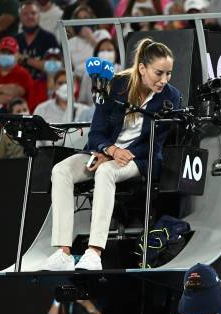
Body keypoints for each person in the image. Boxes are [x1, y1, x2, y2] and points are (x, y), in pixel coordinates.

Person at [41, 39, 181, 271]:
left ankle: (94, 252)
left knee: (105, 171)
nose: (164, 80)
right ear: (142, 68)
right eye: (159, 73)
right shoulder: (116, 86)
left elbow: (155, 145)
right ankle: (63, 252)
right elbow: (96, 132)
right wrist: (109, 150)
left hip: (140, 160)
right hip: (103, 152)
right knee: (61, 170)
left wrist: (118, 155)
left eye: (169, 73)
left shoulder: (170, 97)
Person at [33, 71, 88, 141]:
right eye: (60, 83)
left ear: (76, 86)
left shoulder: (85, 110)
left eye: (68, 82)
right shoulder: (42, 109)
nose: (65, 86)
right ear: (54, 85)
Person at [15, 0, 59, 79]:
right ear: (20, 18)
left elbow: (53, 67)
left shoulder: (49, 38)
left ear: (39, 16)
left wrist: (25, 59)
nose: (30, 17)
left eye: (33, 13)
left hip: (43, 83)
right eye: (25, 14)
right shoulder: (15, 40)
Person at [67, 5, 112, 80]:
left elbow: (109, 58)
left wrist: (91, 38)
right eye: (79, 19)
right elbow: (71, 68)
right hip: (80, 80)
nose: (83, 22)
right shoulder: (70, 43)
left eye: (85, 18)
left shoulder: (103, 34)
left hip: (102, 76)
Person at [78, 38, 122, 106]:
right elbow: (82, 101)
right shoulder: (88, 73)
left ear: (116, 54)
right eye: (102, 50)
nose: (105, 53)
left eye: (109, 50)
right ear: (97, 54)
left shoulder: (122, 71)